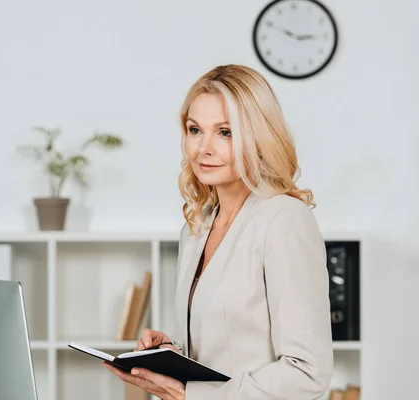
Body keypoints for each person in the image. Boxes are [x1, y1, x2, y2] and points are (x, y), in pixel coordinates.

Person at [102, 64, 333, 399]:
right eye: (195, 130)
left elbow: (308, 373)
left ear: (258, 137)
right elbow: (223, 351)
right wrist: (170, 355)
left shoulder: (284, 220)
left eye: (225, 132)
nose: (203, 148)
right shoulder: (197, 225)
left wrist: (192, 395)